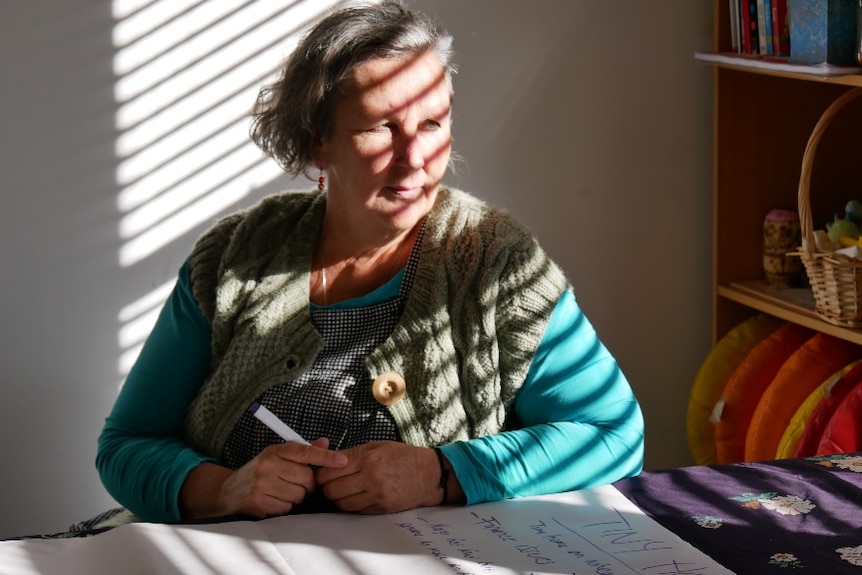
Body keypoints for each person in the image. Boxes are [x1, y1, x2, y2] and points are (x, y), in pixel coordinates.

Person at [96, 0, 644, 524]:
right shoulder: (236, 258)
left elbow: (613, 434)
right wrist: (224, 490)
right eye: (379, 127)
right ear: (320, 144)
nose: (414, 162)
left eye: (431, 124)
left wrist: (442, 474)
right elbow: (128, 444)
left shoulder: (497, 262)